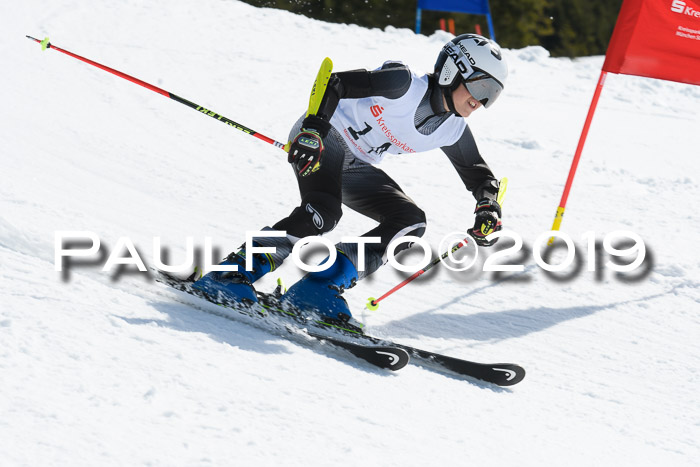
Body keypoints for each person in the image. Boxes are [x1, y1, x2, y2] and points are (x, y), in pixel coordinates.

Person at [193, 33, 508, 331]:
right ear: (454, 70)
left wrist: (487, 206)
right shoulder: (404, 83)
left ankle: (315, 291)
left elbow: (478, 173)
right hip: (323, 136)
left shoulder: (452, 129)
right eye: (481, 88)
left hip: (354, 164)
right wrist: (313, 129)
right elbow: (336, 83)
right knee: (323, 211)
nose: (481, 101)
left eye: (491, 96)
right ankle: (228, 276)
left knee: (409, 222)